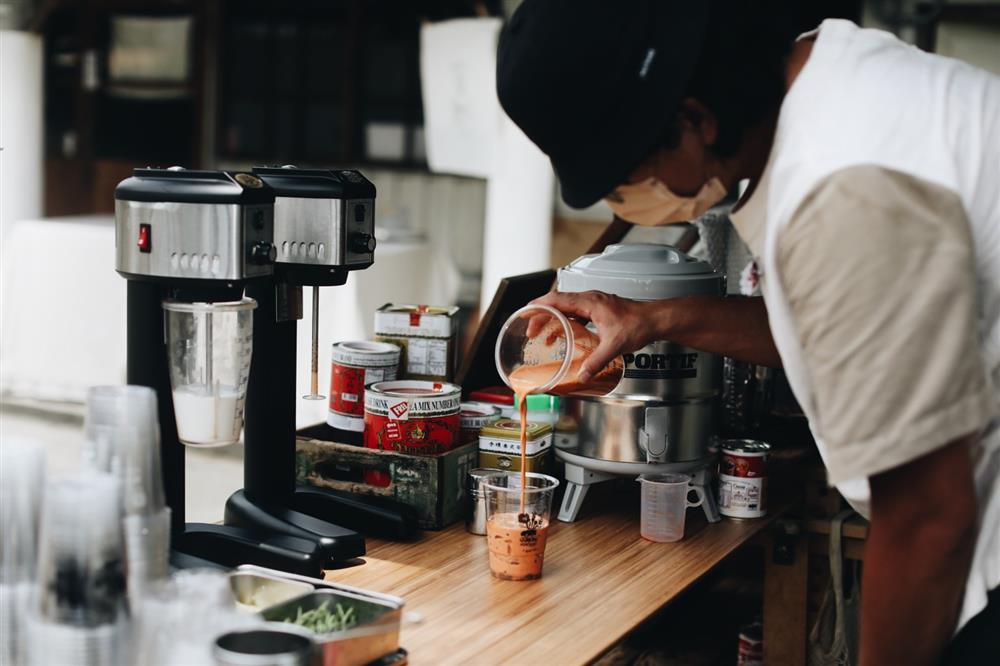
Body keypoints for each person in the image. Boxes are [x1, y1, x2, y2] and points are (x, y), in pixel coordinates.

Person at [496, 1, 999, 664]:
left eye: (625, 178)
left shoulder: (839, 186)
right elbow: (835, 328)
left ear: (693, 121)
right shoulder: (834, 85)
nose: (627, 201)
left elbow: (928, 518)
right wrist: (653, 319)